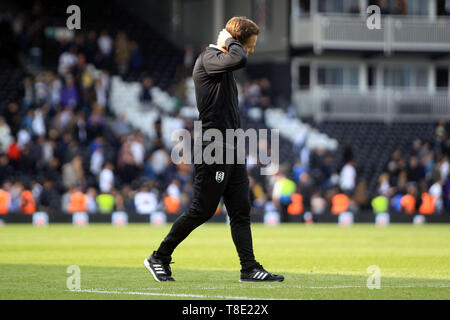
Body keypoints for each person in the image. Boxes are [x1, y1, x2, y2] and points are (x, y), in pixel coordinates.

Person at [144, 17, 284, 283]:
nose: (250, 51)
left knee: (241, 211)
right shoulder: (209, 58)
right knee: (202, 209)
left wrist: (232, 43)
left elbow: (238, 58)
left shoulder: (222, 63)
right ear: (236, 42)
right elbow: (239, 59)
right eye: (249, 45)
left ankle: (249, 268)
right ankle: (159, 257)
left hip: (232, 146)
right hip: (214, 147)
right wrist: (229, 40)